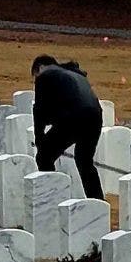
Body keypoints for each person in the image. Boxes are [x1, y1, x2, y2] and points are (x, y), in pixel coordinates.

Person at [31, 53, 104, 200]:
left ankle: (51, 199)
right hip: (95, 116)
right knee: (85, 162)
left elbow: (40, 111)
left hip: (73, 116)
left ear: (41, 67)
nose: (35, 79)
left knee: (44, 156)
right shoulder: (76, 75)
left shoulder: (45, 76)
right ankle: (97, 203)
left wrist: (40, 140)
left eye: (35, 75)